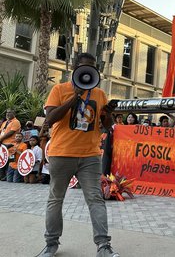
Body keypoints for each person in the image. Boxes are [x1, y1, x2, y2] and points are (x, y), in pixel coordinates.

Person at [38, 53, 118, 257]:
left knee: (95, 199)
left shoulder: (99, 93)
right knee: (56, 199)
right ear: (75, 68)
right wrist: (75, 97)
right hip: (62, 154)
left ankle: (103, 246)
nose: (87, 72)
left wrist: (108, 113)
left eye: (92, 68)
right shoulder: (59, 89)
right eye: (84, 68)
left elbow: (106, 127)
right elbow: (51, 118)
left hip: (90, 155)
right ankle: (51, 244)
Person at [0, 108, 21, 181]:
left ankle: (6, 175)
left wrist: (1, 139)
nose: (7, 114)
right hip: (3, 144)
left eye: (10, 112)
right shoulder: (5, 122)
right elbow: (1, 131)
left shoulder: (16, 122)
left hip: (10, 144)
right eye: (7, 112)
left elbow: (11, 132)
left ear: (14, 113)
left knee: (8, 160)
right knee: (2, 160)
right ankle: (2, 176)